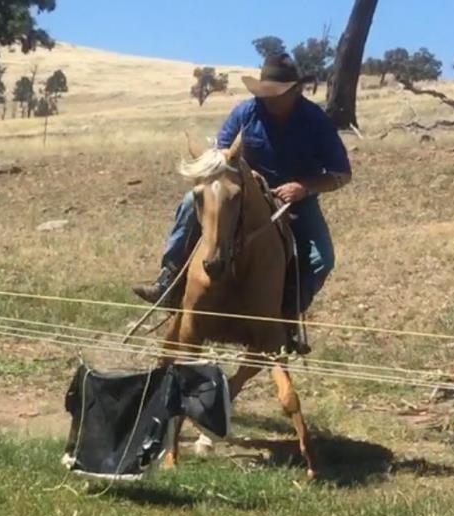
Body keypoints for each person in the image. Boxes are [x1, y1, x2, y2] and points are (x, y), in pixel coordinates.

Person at [132, 54, 352, 343]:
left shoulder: (316, 121)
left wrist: (303, 187)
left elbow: (341, 173)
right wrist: (237, 176)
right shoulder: (246, 113)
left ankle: (286, 315)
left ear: (296, 90)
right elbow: (220, 156)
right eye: (265, 93)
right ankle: (168, 281)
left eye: (277, 94)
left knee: (321, 259)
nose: (269, 100)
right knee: (189, 203)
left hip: (296, 201)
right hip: (244, 191)